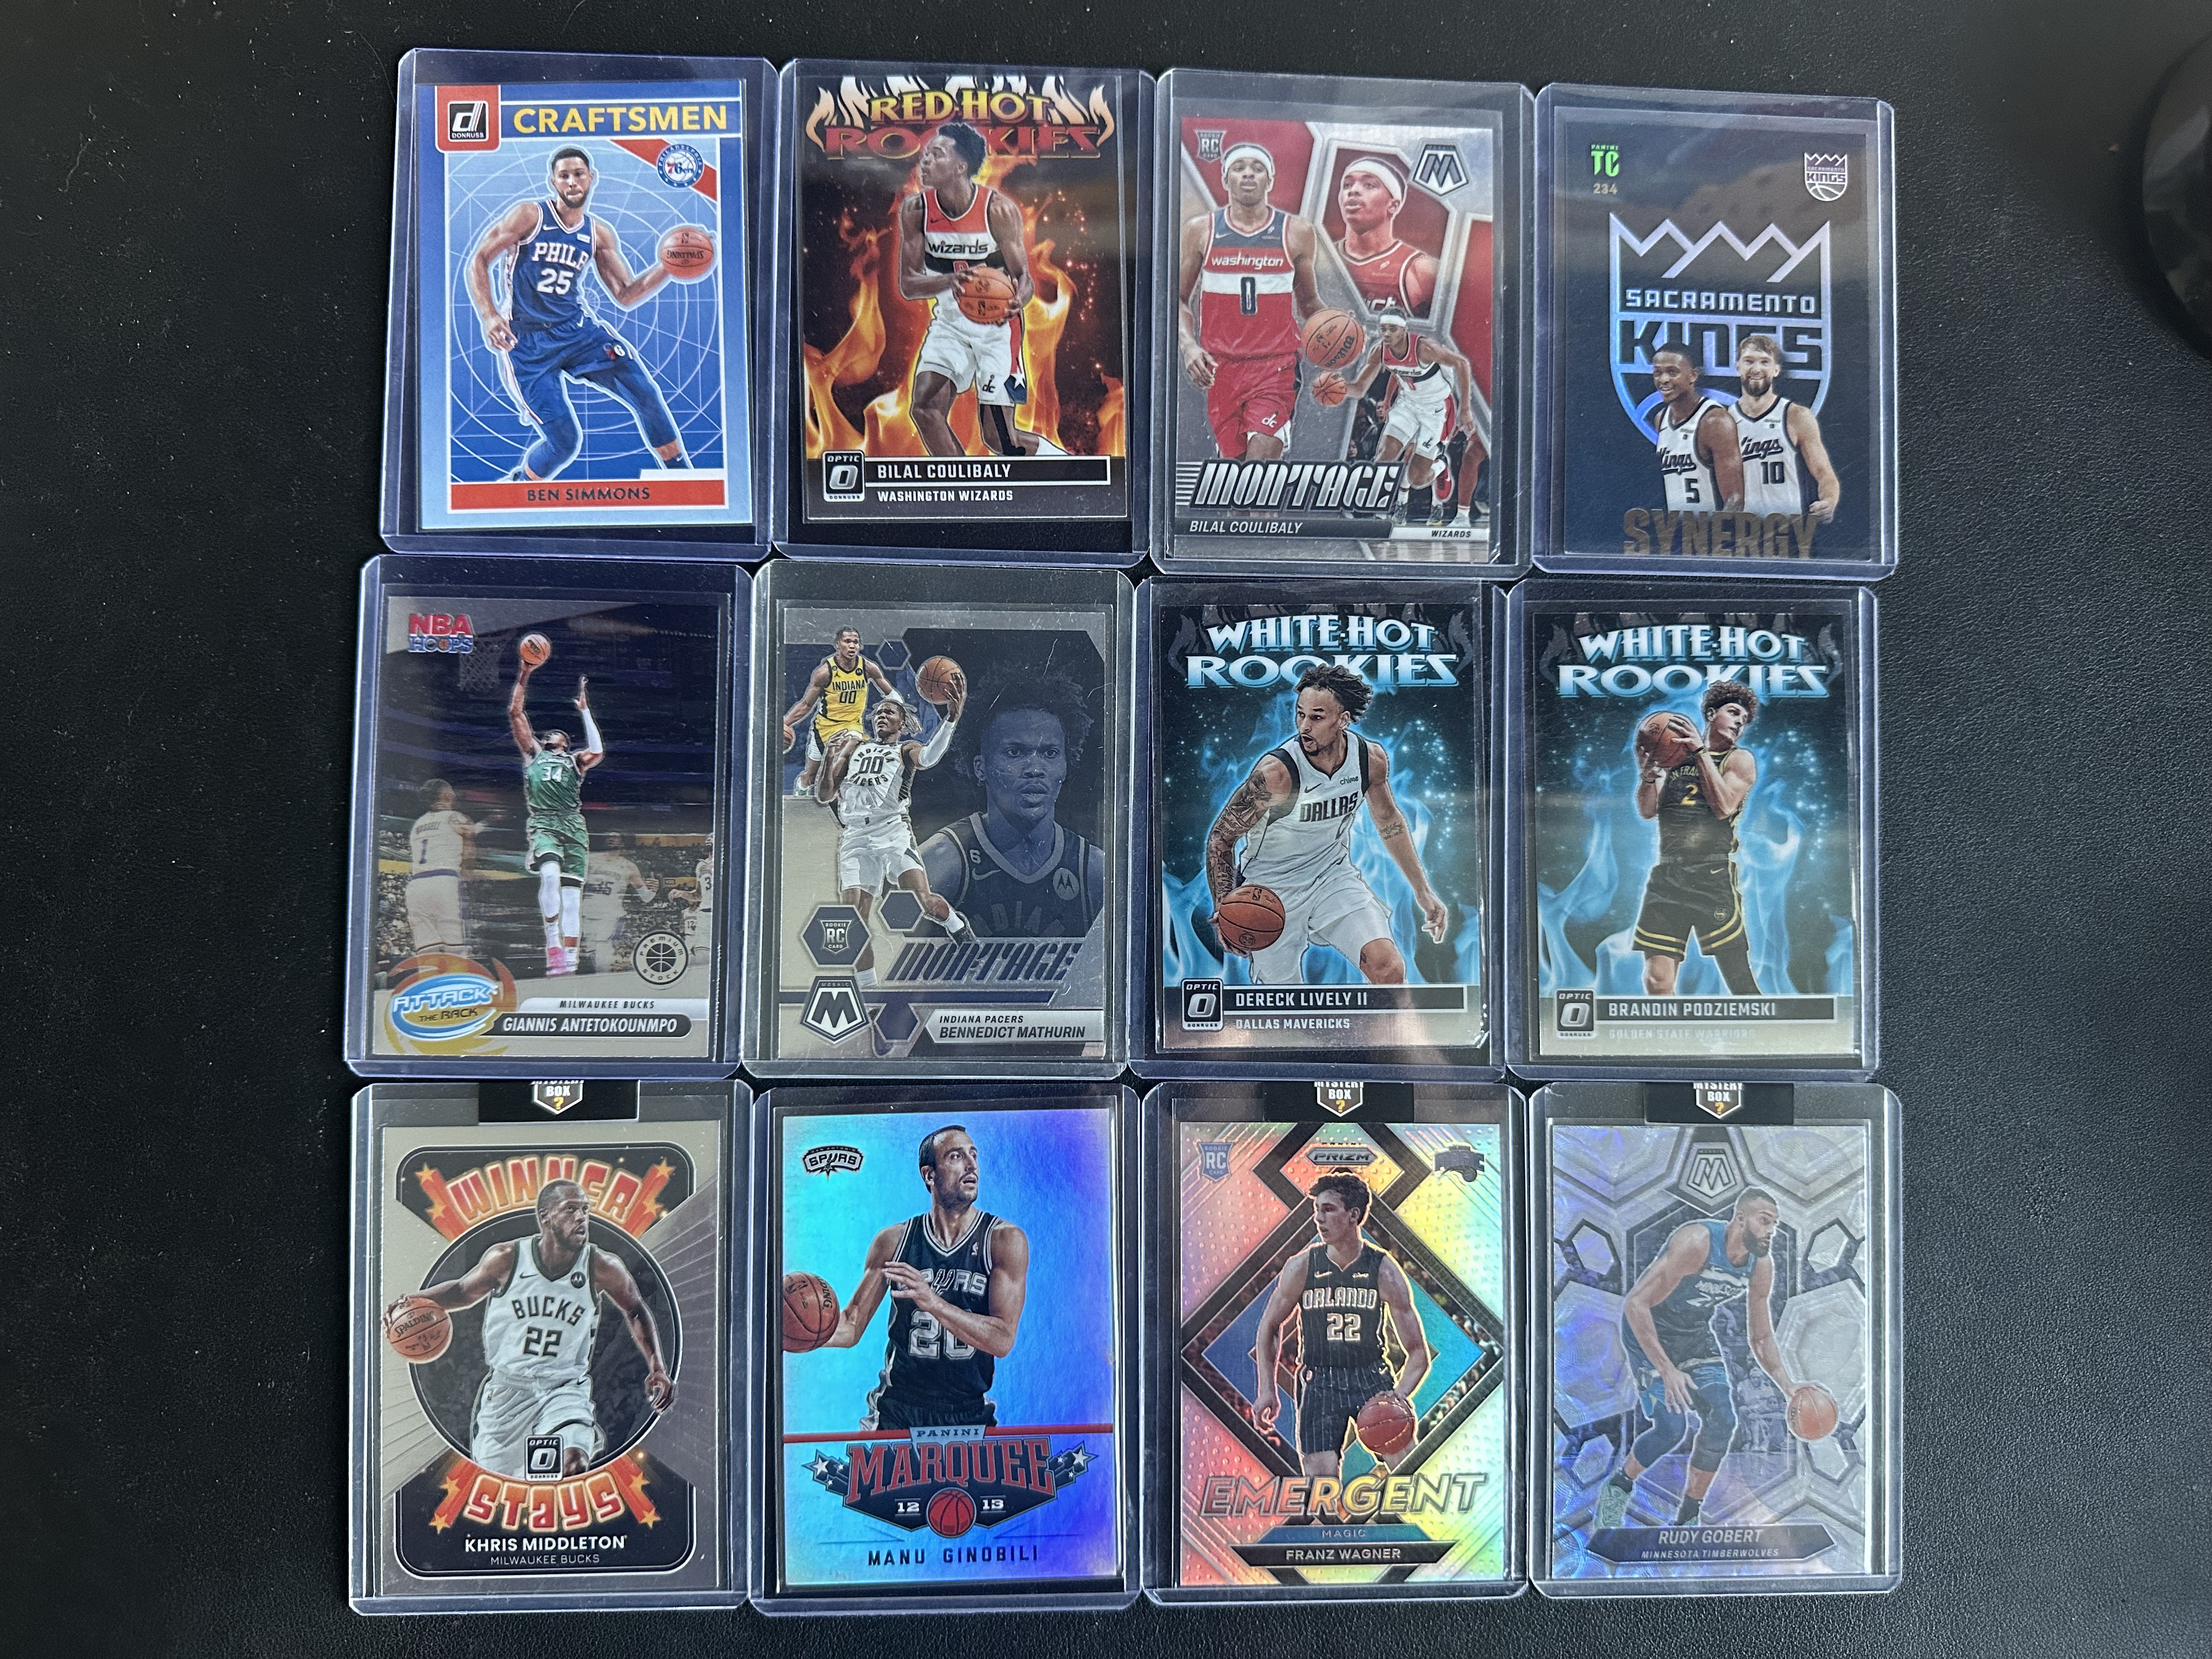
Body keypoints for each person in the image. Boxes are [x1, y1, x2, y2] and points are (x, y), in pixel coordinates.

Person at [386, 1178, 673, 1480]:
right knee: (502, 1481)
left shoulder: (602, 1266)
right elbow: (461, 1291)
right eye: (571, 1209)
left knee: (572, 1462)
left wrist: (657, 1366)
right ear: (545, 1217)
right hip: (508, 1391)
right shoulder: (506, 1259)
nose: (581, 1217)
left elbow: (635, 1308)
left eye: (585, 1210)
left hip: (564, 1388)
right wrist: (411, 1303)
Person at [1205, 663, 1447, 986]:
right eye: (1300, 714)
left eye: (1317, 717)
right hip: (1271, 889)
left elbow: (1389, 821)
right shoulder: (1277, 773)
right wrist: (1224, 906)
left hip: (1332, 877)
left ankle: (1399, 1023)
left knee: (1389, 970)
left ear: (1343, 720)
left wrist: (1423, 891)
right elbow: (1221, 838)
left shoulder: (1369, 759)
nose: (1304, 726)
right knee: (1283, 1001)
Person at [465, 146, 692, 482]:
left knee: (644, 391)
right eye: (564, 176)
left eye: (578, 174)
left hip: (577, 332)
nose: (572, 182)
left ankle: (683, 478)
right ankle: (519, 484)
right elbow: (479, 260)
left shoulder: (598, 233)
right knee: (564, 442)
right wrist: (489, 315)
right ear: (553, 182)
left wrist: (670, 266)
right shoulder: (529, 216)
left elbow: (626, 293)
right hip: (527, 342)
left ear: (591, 178)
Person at [1595, 1188, 1808, 1530]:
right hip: (1649, 1331)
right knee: (1672, 1429)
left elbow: (1761, 1337)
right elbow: (1636, 1304)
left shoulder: (1760, 1266)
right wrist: (1666, 1370)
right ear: (1741, 1219)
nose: (1771, 1231)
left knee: (1724, 1418)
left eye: (1775, 1225)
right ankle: (1619, 1486)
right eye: (1765, 1221)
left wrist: (1788, 1386)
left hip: (1693, 1336)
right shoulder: (1697, 1242)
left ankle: (1688, 1515)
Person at [814, 1126, 1030, 1431]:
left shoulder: (1003, 1240)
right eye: (956, 1157)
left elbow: (1003, 1339)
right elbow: (850, 1325)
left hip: (968, 1412)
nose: (971, 1165)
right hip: (897, 1410)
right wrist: (783, 1333)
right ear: (930, 1175)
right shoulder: (894, 1242)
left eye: (974, 1155)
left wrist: (933, 1302)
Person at [1250, 1174, 1430, 1483]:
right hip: (1319, 1381)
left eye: (1329, 1209)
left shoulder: (1383, 1270)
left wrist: (1399, 1395)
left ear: (1353, 1215)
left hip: (1370, 1377)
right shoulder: (1302, 1266)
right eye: (1317, 1210)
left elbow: (1417, 1353)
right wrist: (1267, 1389)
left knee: (1408, 1475)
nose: (1319, 1219)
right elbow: (1270, 1327)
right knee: (1320, 1489)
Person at [897, 122, 1053, 459]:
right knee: (925, 409)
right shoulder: (916, 211)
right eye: (926, 154)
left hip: (997, 329)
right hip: (950, 324)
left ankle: (1063, 465)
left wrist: (1019, 299)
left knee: (1001, 441)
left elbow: (1023, 276)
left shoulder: (998, 210)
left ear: (961, 166)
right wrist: (947, 282)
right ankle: (962, 486)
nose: (926, 160)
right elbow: (908, 284)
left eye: (937, 154)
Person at [918, 673, 1104, 937]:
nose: (1035, 769)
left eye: (1050, 753)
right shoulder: (942, 860)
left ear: (1066, 764)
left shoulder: (1094, 871)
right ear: (980, 767)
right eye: (1015, 752)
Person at [816, 691, 976, 990]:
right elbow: (825, 795)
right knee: (854, 921)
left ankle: (957, 925)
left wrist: (951, 721)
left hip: (892, 831)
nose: (881, 716)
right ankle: (869, 992)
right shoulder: (855, 747)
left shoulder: (906, 749)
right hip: (855, 837)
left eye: (889, 712)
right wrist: (828, 757)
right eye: (878, 713)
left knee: (924, 902)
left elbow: (928, 758)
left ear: (902, 723)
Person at [1178, 141, 1323, 460]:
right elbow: (1177, 300)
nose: (1248, 174)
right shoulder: (1201, 231)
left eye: (1258, 169)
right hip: (1222, 370)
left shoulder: (1297, 232)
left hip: (1276, 367)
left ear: (1270, 180)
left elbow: (1310, 304)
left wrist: (1339, 331)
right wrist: (1189, 347)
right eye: (1239, 168)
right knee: (1236, 477)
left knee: (1259, 470)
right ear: (1225, 178)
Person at [1632, 682, 1762, 996]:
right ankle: (1669, 1030)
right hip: (1668, 875)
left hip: (1711, 873)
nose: (1739, 722)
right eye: (1734, 712)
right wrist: (1647, 776)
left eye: (1744, 719)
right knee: (1657, 982)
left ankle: (1769, 1028)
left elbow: (1724, 807)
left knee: (1739, 983)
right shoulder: (1674, 760)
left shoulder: (1738, 759)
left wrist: (1701, 753)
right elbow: (1647, 811)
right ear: (1711, 714)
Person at [1340, 303, 1475, 527]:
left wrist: (1466, 409)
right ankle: (1380, 514)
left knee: (1417, 479)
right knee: (1384, 457)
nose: (1387, 334)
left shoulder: (1424, 348)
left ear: (1404, 330)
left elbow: (1462, 363)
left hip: (1435, 409)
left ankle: (1440, 466)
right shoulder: (1380, 352)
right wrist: (1337, 387)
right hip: (1408, 406)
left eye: (1393, 329)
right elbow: (1360, 389)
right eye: (1383, 329)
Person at [508, 659, 602, 977]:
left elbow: (598, 751)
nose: (552, 734)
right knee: (549, 876)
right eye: (550, 733)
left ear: (566, 744)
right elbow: (516, 713)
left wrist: (585, 711)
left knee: (572, 899)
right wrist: (525, 673)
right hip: (545, 822)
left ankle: (569, 961)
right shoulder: (533, 754)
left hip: (573, 824)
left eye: (559, 734)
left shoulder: (576, 761)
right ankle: (552, 943)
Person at [1729, 334, 1840, 524]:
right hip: (1742, 530)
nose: (1757, 369)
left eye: (1765, 362)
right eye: (1749, 361)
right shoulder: (1725, 420)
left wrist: (1829, 501)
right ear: (1738, 367)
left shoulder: (1796, 415)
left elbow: (1824, 474)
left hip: (1788, 528)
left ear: (1776, 370)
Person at [782, 627, 898, 796]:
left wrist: (903, 713)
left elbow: (891, 694)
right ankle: (802, 786)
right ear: (838, 644)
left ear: (860, 646)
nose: (852, 646)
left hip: (852, 726)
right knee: (812, 777)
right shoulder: (825, 672)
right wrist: (784, 724)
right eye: (847, 641)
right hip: (824, 727)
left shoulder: (868, 668)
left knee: (850, 746)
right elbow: (806, 705)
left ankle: (845, 796)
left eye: (856, 642)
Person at [1332, 156, 1437, 317]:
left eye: (1369, 185)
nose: (1353, 191)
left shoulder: (1419, 269)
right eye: (1347, 185)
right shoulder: (1320, 256)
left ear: (1393, 205)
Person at [1646, 343, 1742, 514]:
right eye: (1658, 373)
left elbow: (1735, 499)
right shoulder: (1661, 419)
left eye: (1672, 372)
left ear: (1693, 376)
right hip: (1678, 527)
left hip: (1710, 527)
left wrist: (1715, 531)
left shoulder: (1715, 421)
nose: (1663, 380)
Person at [405, 778, 481, 954]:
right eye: (451, 790)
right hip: (444, 882)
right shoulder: (456, 817)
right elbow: (469, 848)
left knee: (427, 950)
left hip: (416, 886)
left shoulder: (418, 824)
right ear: (447, 795)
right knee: (455, 949)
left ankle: (429, 972)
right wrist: (468, 871)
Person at [578, 833, 656, 975]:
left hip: (611, 914)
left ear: (623, 844)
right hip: (587, 911)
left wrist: (653, 889)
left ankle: (604, 979)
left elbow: (646, 897)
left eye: (616, 838)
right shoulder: (590, 859)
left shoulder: (629, 867)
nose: (611, 839)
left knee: (603, 947)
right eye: (609, 837)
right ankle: (597, 978)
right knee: (590, 950)